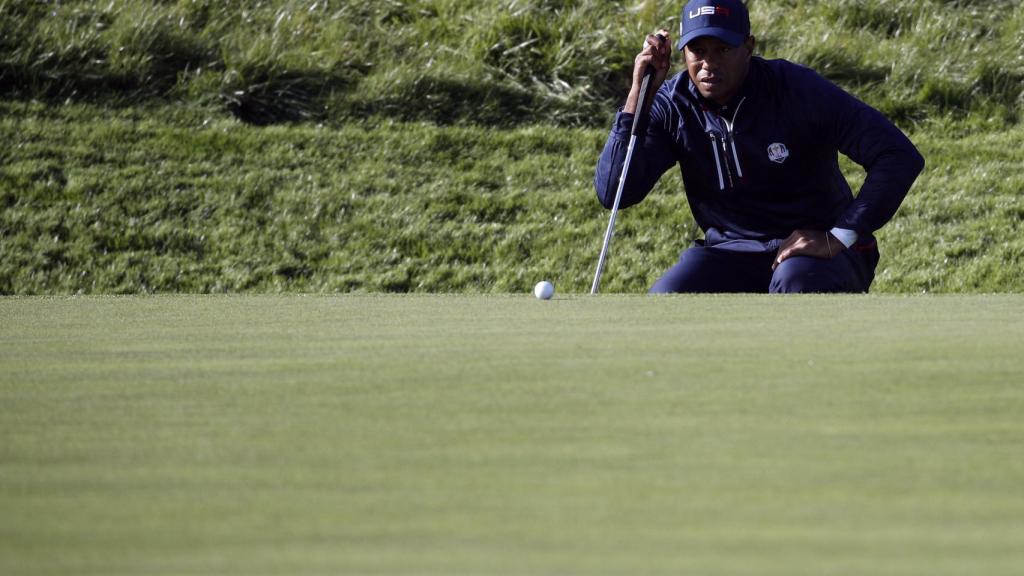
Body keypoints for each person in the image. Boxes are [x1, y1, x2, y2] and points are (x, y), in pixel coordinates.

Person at [595, 0, 924, 293]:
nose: (709, 63)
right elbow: (614, 192)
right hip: (729, 252)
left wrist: (838, 237)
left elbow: (897, 155)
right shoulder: (671, 104)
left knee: (796, 280)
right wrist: (638, 97)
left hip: (817, 250)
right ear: (683, 53)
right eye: (698, 50)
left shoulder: (797, 89)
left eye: (722, 49)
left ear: (749, 46)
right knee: (669, 296)